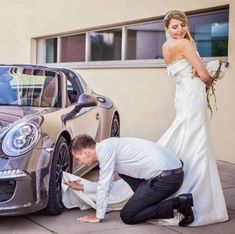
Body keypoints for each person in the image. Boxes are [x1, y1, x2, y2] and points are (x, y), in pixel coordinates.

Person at [157, 10, 228, 226]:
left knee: (185, 135)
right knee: (196, 139)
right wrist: (209, 76)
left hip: (181, 95)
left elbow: (180, 69)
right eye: (175, 26)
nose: (179, 30)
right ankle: (195, 194)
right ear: (167, 28)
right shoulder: (185, 45)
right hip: (192, 95)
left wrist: (199, 71)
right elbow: (204, 76)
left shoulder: (166, 47)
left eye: (182, 25)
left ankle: (172, 179)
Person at [67, 134, 194, 226]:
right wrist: (84, 187)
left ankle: (180, 203)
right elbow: (106, 183)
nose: (79, 162)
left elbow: (104, 187)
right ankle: (144, 205)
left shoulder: (105, 153)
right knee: (123, 174)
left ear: (86, 153)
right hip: (171, 171)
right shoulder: (108, 145)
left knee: (128, 216)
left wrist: (98, 216)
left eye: (77, 158)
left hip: (167, 179)